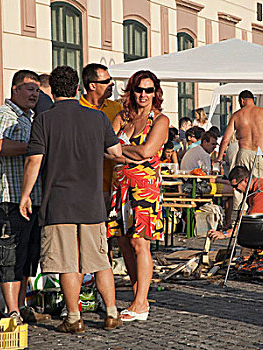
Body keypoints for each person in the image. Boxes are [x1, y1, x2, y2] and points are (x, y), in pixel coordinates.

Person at [19, 66, 123, 333]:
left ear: (52, 91)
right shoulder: (97, 118)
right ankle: (111, 313)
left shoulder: (44, 119)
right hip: (91, 202)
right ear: (77, 88)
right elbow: (115, 151)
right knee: (100, 260)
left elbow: (34, 160)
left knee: (67, 263)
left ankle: (74, 318)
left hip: (60, 203)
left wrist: (25, 195)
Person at [0, 69, 50, 325]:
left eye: (37, 89)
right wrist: (35, 147)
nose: (35, 94)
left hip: (31, 198)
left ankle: (21, 306)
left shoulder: (30, 118)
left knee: (27, 257)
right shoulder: (3, 115)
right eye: (30, 88)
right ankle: (11, 310)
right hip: (9, 198)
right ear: (15, 89)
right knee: (10, 256)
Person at [108, 70, 169, 322]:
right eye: (139, 89)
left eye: (149, 89)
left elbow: (146, 151)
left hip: (145, 189)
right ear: (131, 91)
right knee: (123, 242)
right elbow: (105, 148)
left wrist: (121, 150)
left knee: (140, 242)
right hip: (119, 186)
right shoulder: (122, 117)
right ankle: (136, 295)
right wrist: (126, 153)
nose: (144, 94)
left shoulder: (160, 120)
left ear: (156, 92)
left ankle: (142, 303)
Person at [79, 63, 123, 206]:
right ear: (92, 86)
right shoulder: (77, 108)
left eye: (111, 80)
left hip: (114, 184)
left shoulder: (117, 109)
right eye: (106, 81)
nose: (111, 84)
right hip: (86, 185)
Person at [217, 90, 263, 180]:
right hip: (262, 153)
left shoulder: (237, 115)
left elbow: (225, 140)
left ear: (242, 100)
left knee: (243, 185)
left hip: (244, 152)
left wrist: (219, 158)